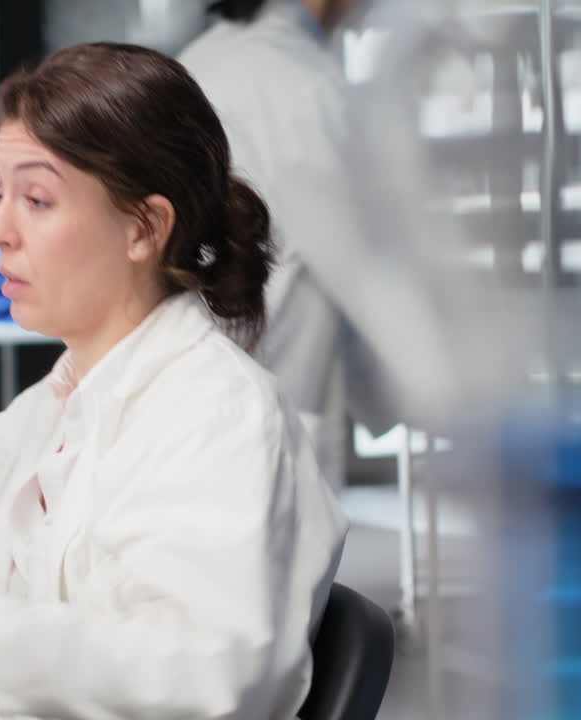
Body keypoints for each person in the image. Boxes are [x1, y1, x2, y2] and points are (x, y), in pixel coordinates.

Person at [0, 42, 347, 719]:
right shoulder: (43, 413)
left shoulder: (219, 414)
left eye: (37, 199)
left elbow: (198, 677)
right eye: (0, 195)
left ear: (144, 228)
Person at [179, 0, 388, 490]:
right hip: (268, 407)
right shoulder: (301, 83)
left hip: (198, 403)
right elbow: (373, 278)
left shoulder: (197, 62)